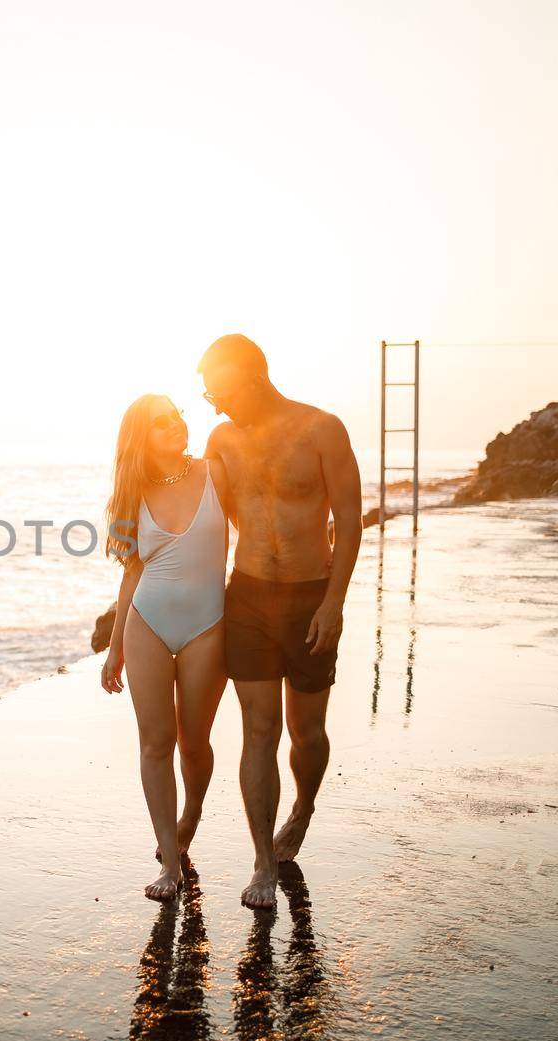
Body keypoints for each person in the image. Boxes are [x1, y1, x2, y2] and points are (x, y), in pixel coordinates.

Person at [198, 334, 363, 909]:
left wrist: (333, 603)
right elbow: (203, 516)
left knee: (307, 732)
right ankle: (263, 860)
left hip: (308, 597)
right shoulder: (221, 439)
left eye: (217, 389)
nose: (213, 403)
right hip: (246, 598)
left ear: (252, 377)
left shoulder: (322, 430)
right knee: (258, 730)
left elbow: (350, 520)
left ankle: (304, 807)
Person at [100, 395, 231, 902]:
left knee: (193, 742)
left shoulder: (217, 471)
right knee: (156, 744)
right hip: (146, 624)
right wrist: (115, 648)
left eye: (177, 414)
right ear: (141, 437)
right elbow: (132, 573)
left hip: (208, 626)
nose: (175, 423)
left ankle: (190, 814)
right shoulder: (129, 494)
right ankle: (170, 864)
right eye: (161, 421)